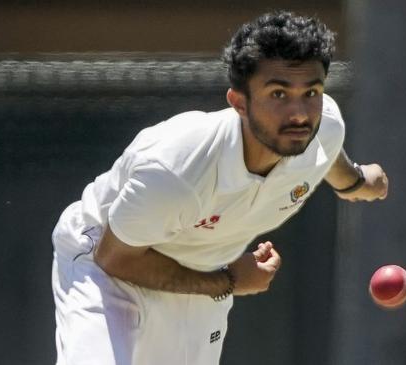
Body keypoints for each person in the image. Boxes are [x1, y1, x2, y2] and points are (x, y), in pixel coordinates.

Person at [51, 11, 388, 365]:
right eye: (278, 93)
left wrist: (357, 181)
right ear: (239, 102)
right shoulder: (176, 170)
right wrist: (228, 281)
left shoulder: (323, 126)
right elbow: (115, 258)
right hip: (107, 262)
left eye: (311, 92)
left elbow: (327, 153)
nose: (300, 113)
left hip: (199, 274)